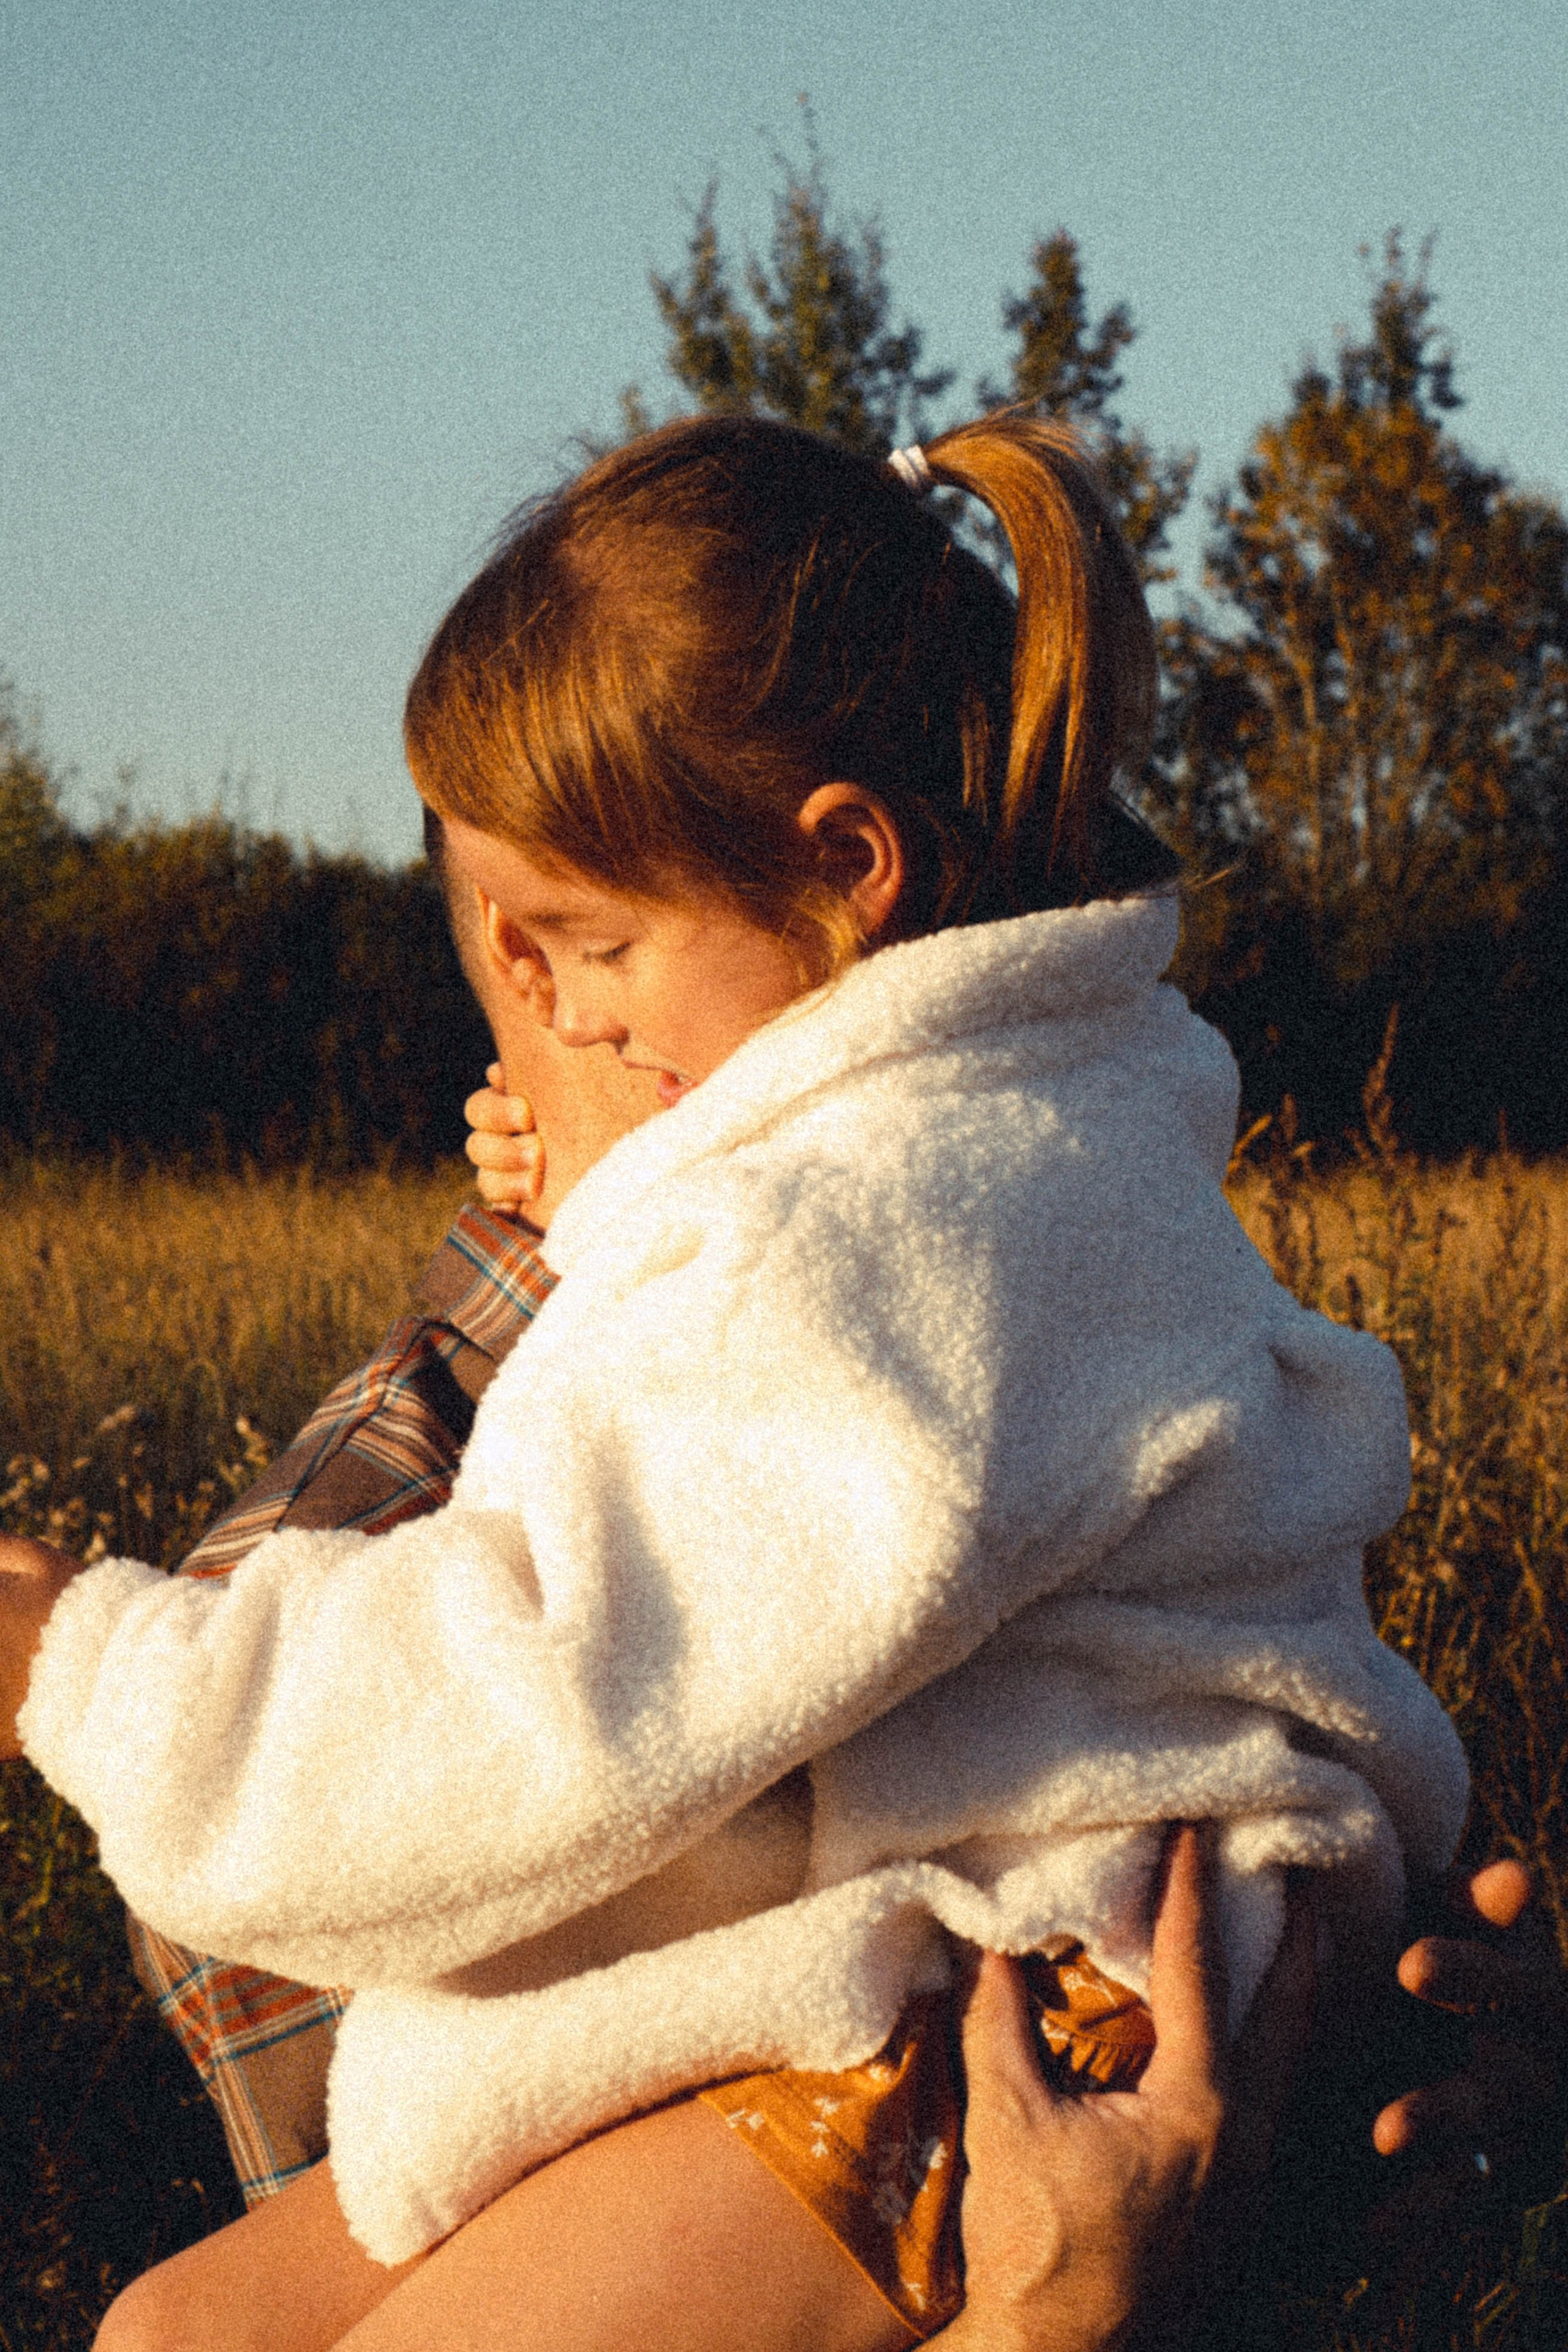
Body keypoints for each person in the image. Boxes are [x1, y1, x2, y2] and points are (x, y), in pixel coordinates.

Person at [0, 408, 1517, 2350]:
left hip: (1023, 2042)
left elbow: (558, 1685)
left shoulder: (867, 1238)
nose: (553, 1010)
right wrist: (644, 1198)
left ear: (847, 873)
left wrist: (89, 1668)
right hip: (986, 1965)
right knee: (172, 2333)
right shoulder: (1009, 1124)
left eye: (596, 942)